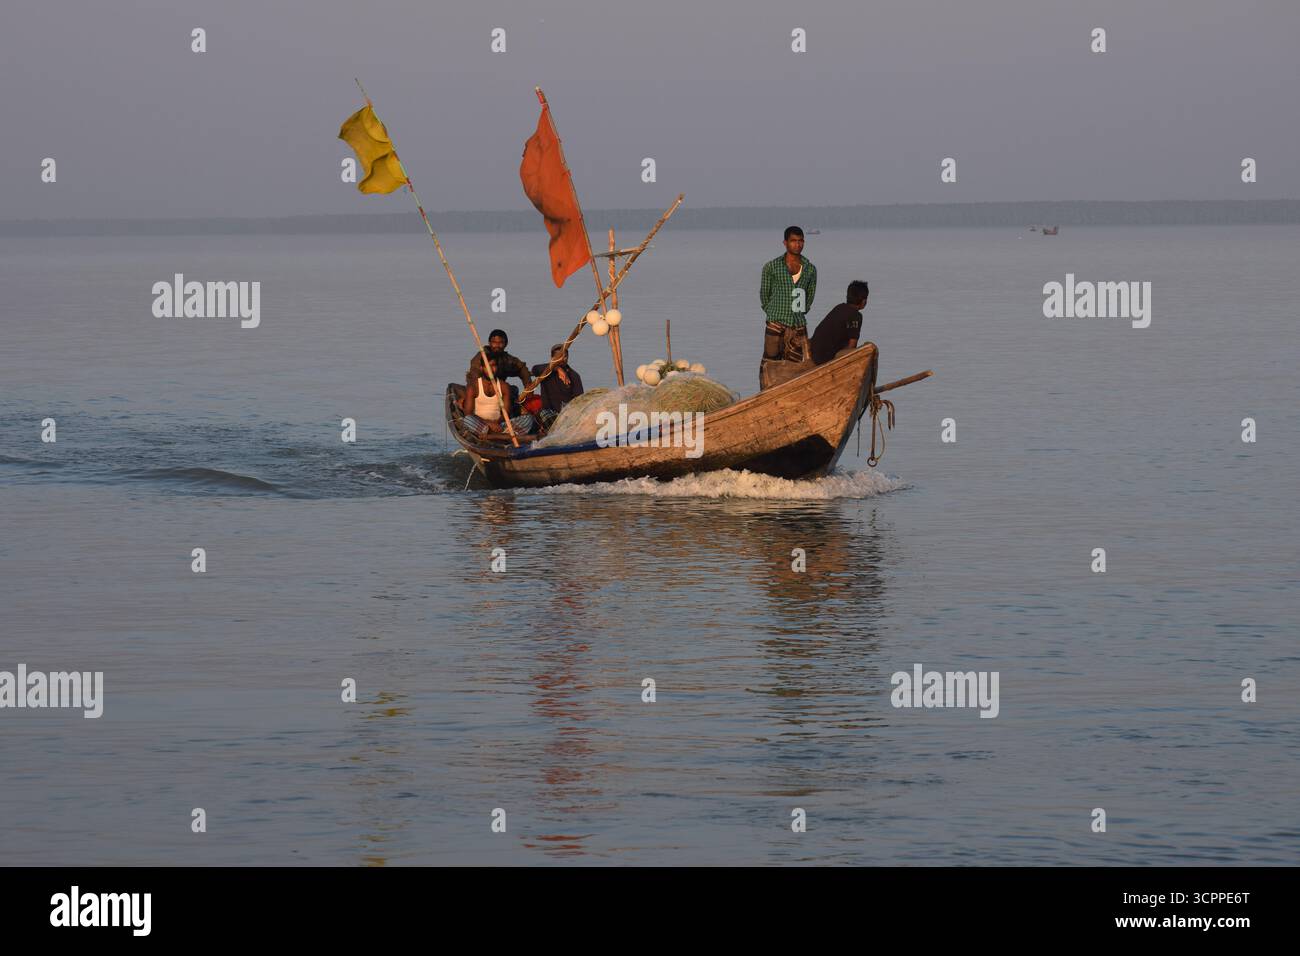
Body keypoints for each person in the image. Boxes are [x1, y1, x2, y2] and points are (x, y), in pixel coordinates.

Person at [759, 226, 818, 376]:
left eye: (800, 241)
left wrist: (800, 311)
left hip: (798, 324)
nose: (797, 245)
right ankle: (767, 395)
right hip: (776, 322)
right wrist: (773, 312)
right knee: (770, 364)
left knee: (796, 367)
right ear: (785, 243)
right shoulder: (772, 267)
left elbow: (809, 296)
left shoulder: (810, 269)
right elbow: (764, 295)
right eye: (793, 241)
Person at [460, 355, 537, 438]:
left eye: (493, 366)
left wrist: (496, 424)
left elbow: (506, 412)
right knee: (468, 420)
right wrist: (489, 423)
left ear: (497, 367)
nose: (491, 370)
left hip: (500, 425)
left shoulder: (504, 386)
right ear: (482, 368)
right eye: (487, 366)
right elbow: (468, 413)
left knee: (528, 419)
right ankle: (501, 436)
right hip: (481, 424)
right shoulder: (474, 387)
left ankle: (495, 435)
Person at [810, 280, 869, 365]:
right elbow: (852, 346)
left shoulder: (839, 307)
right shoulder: (856, 316)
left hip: (814, 352)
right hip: (823, 358)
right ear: (863, 301)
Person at [530, 344, 584, 427]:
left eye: (565, 357)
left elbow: (579, 400)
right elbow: (535, 369)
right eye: (558, 357)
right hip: (549, 412)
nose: (562, 359)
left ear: (568, 357)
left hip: (567, 413)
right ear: (552, 358)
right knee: (543, 414)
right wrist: (557, 369)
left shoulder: (574, 376)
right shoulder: (546, 371)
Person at [468, 329, 532, 392]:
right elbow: (474, 376)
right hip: (481, 390)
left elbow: (521, 367)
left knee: (513, 390)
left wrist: (528, 387)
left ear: (506, 344)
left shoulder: (506, 358)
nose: (497, 346)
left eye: (501, 343)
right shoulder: (481, 357)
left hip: (499, 389)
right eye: (494, 342)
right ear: (489, 343)